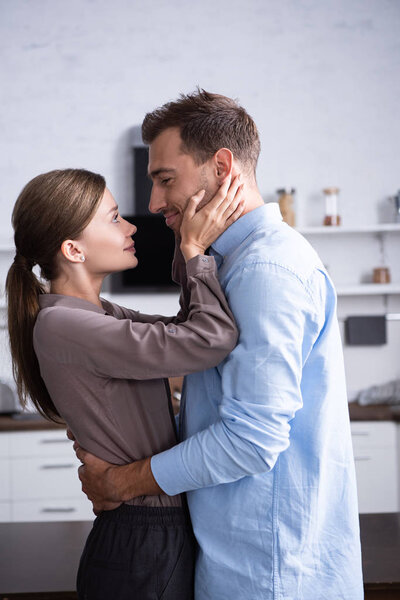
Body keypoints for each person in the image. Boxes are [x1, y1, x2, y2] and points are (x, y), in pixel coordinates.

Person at [74, 90, 364, 600]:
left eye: (166, 180)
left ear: (222, 166)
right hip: (245, 561)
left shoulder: (265, 271)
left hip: (267, 575)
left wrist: (122, 482)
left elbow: (252, 440)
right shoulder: (233, 264)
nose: (154, 204)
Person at [5, 167, 245, 600]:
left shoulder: (98, 315)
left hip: (147, 533)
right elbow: (210, 339)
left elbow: (185, 331)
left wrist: (189, 246)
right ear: (74, 249)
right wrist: (192, 249)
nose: (132, 226)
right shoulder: (66, 324)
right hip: (142, 538)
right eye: (115, 218)